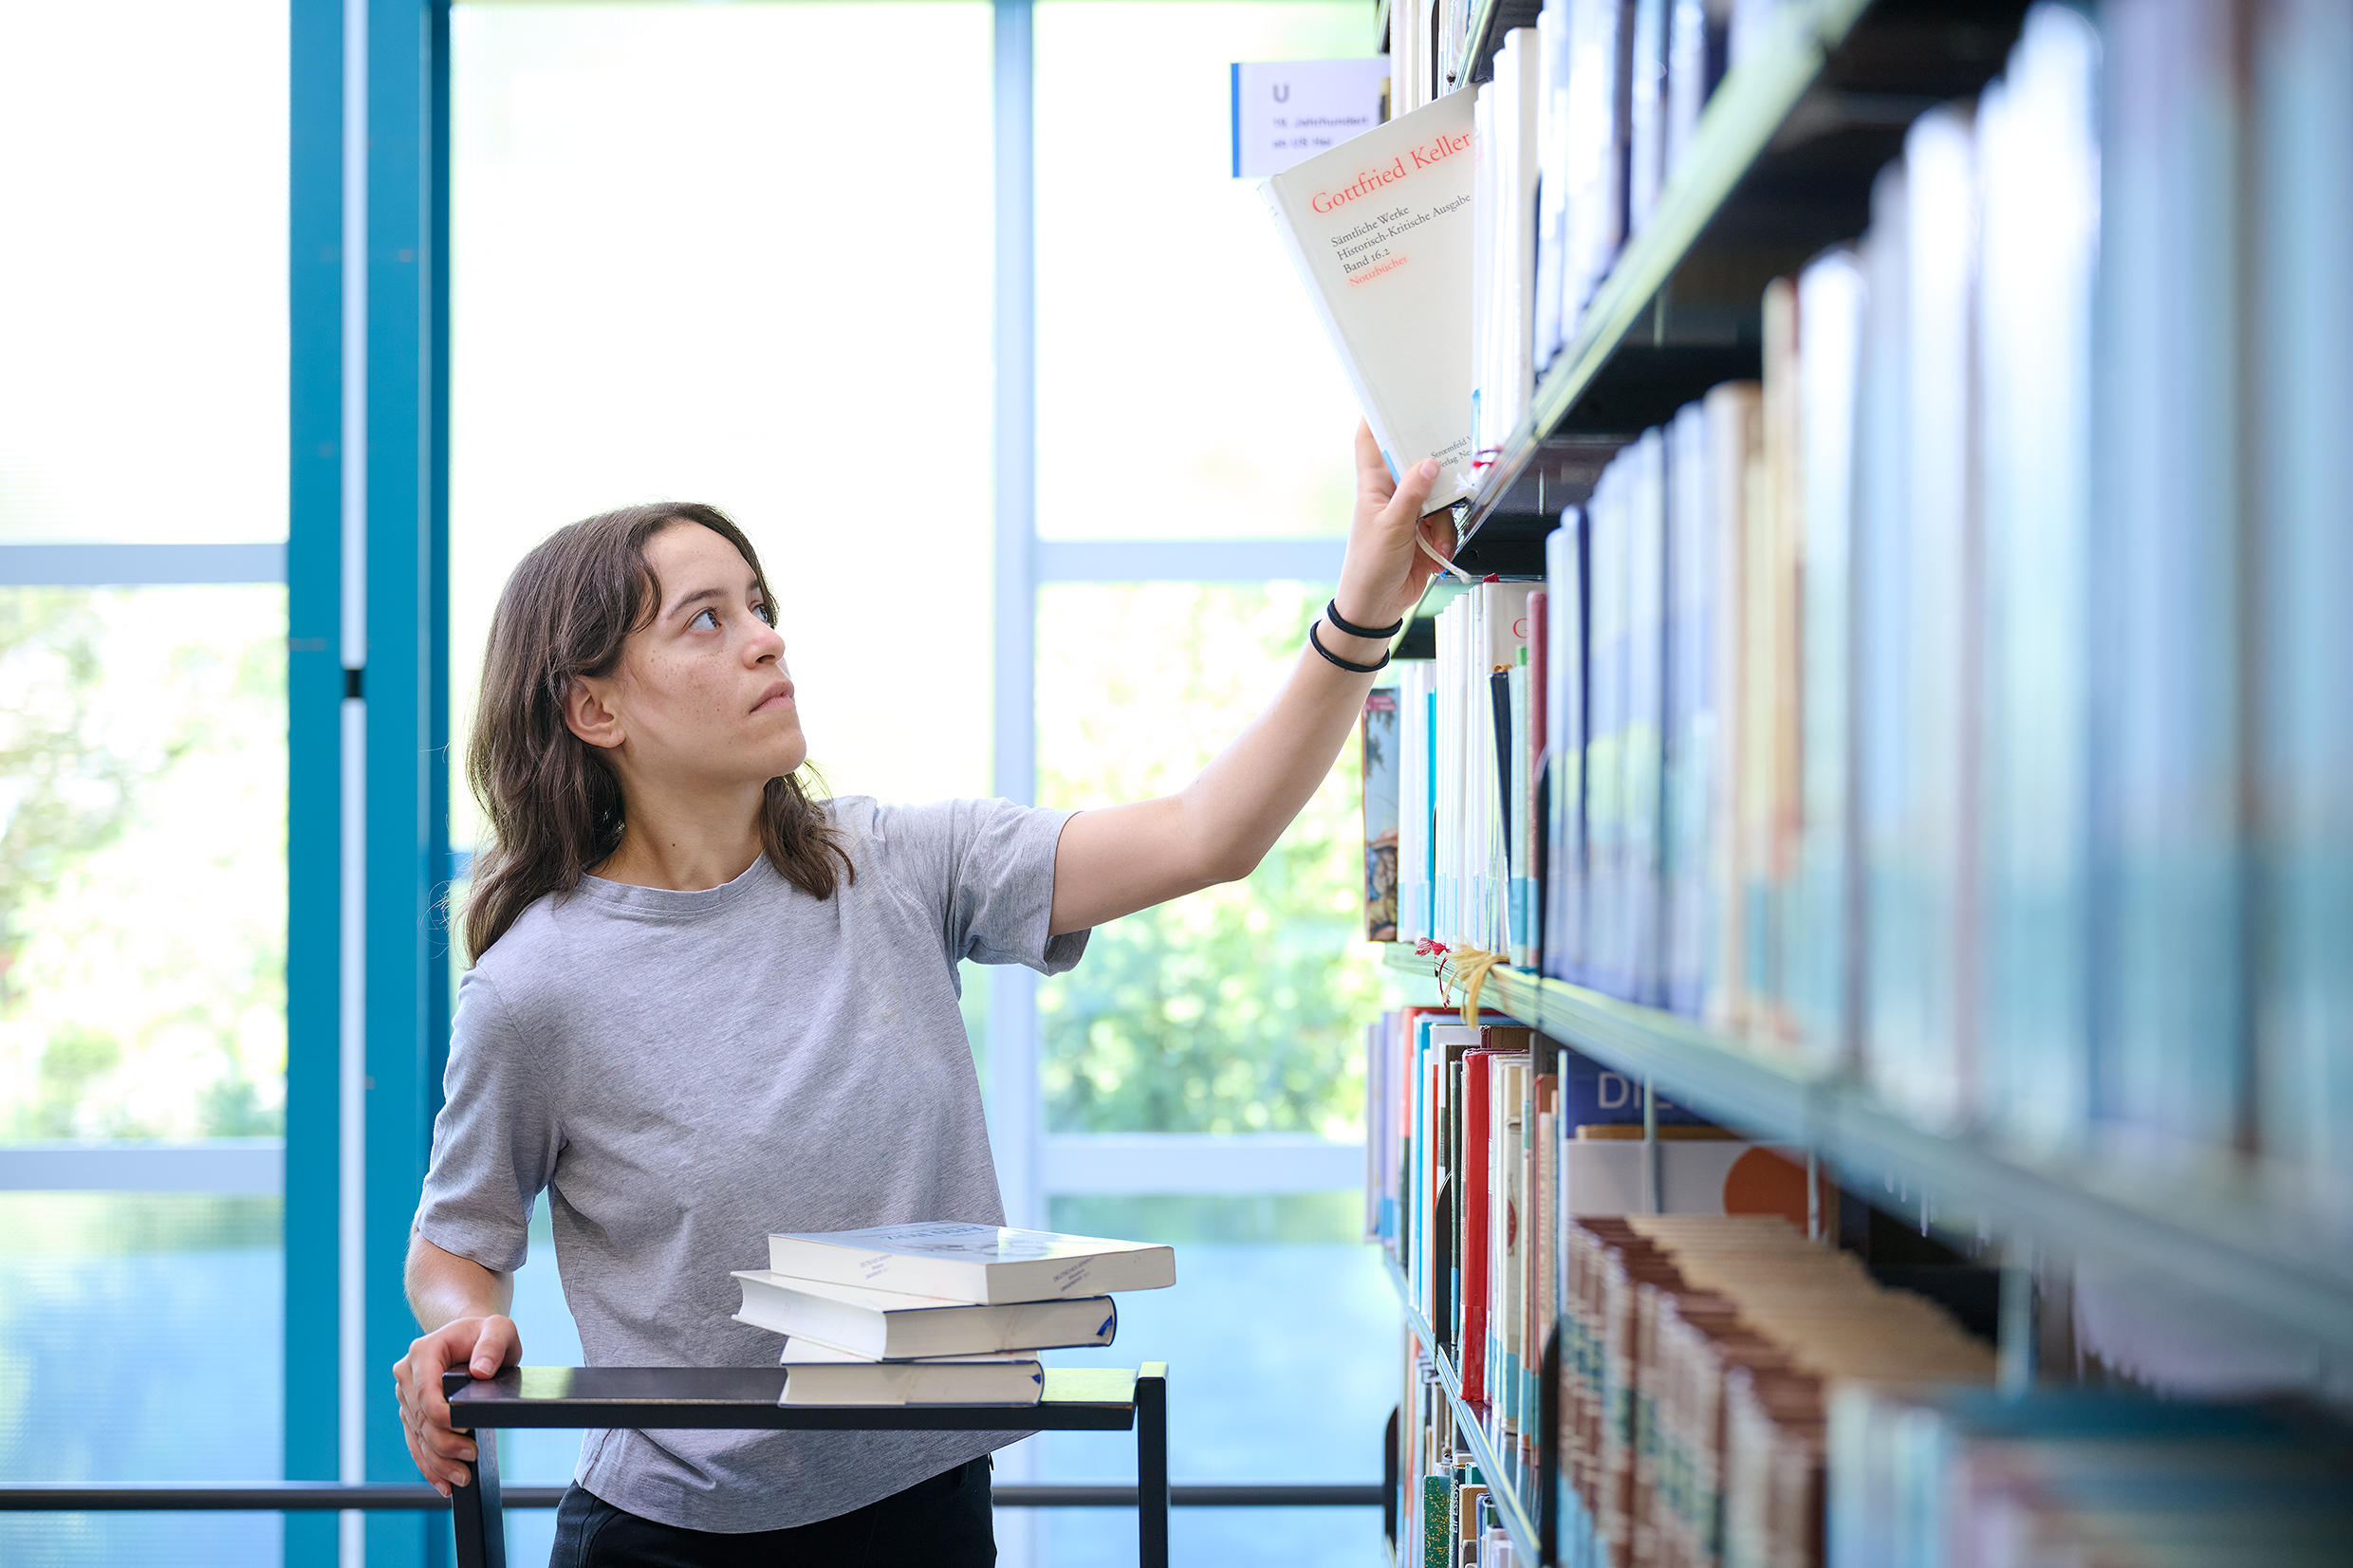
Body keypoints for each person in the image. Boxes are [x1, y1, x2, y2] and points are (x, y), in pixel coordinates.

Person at [392, 426, 1447, 1565]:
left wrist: (1361, 614)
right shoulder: (534, 985)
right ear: (593, 711)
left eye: (759, 604)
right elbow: (457, 1242)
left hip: (928, 1508)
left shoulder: (896, 866)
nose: (766, 640)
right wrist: (464, 1329)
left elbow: (1207, 836)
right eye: (707, 618)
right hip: (664, 1539)